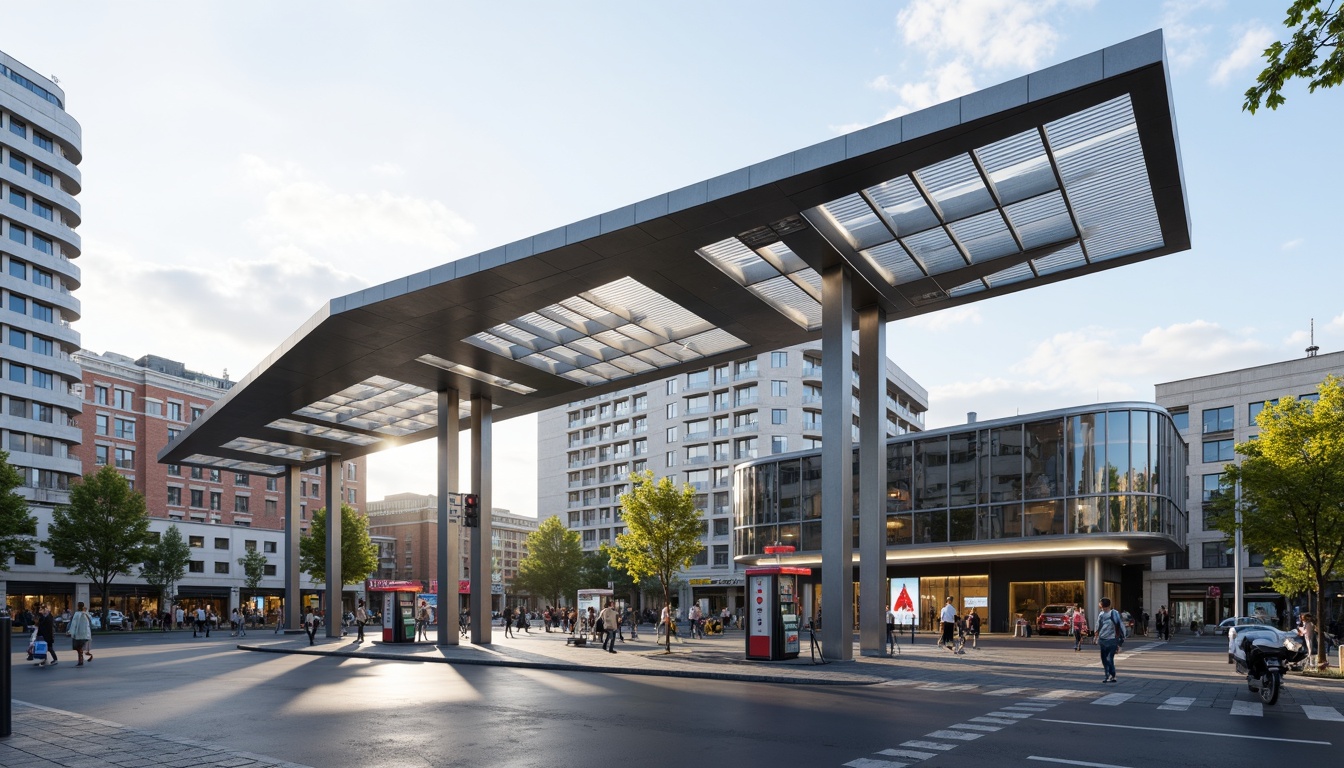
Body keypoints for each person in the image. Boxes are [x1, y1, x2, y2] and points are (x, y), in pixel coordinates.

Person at [1095, 597, 1126, 683]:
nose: (1099, 604)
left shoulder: (1114, 613)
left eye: (1100, 603)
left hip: (1112, 639)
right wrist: (1096, 636)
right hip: (1103, 639)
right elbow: (1098, 626)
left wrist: (1121, 640)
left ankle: (1112, 675)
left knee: (1109, 658)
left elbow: (1120, 625)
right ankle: (1109, 675)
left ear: (1103, 605)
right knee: (1104, 659)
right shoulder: (1101, 614)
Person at [69, 601, 93, 668]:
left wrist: (71, 632)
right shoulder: (86, 614)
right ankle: (84, 658)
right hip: (85, 634)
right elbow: (89, 622)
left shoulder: (77, 614)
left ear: (78, 606)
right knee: (82, 648)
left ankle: (82, 660)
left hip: (78, 634)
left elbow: (74, 624)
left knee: (79, 648)